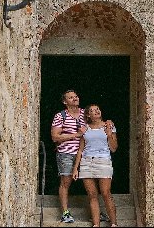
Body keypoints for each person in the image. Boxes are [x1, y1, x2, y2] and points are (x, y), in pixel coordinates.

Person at [73, 104, 118, 228]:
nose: (96, 111)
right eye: (92, 110)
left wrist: (109, 134)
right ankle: (96, 224)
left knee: (105, 192)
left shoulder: (109, 125)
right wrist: (75, 168)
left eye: (97, 109)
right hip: (87, 162)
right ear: (88, 115)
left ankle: (114, 223)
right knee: (92, 195)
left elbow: (113, 148)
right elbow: (81, 150)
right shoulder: (85, 129)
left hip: (103, 161)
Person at [50, 89, 87, 224]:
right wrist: (75, 135)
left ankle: (93, 211)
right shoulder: (60, 116)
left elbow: (96, 123)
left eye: (76, 96)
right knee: (66, 182)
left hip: (85, 153)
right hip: (66, 153)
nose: (75, 99)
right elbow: (55, 137)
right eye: (71, 97)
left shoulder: (85, 113)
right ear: (65, 102)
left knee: (90, 183)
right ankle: (65, 213)